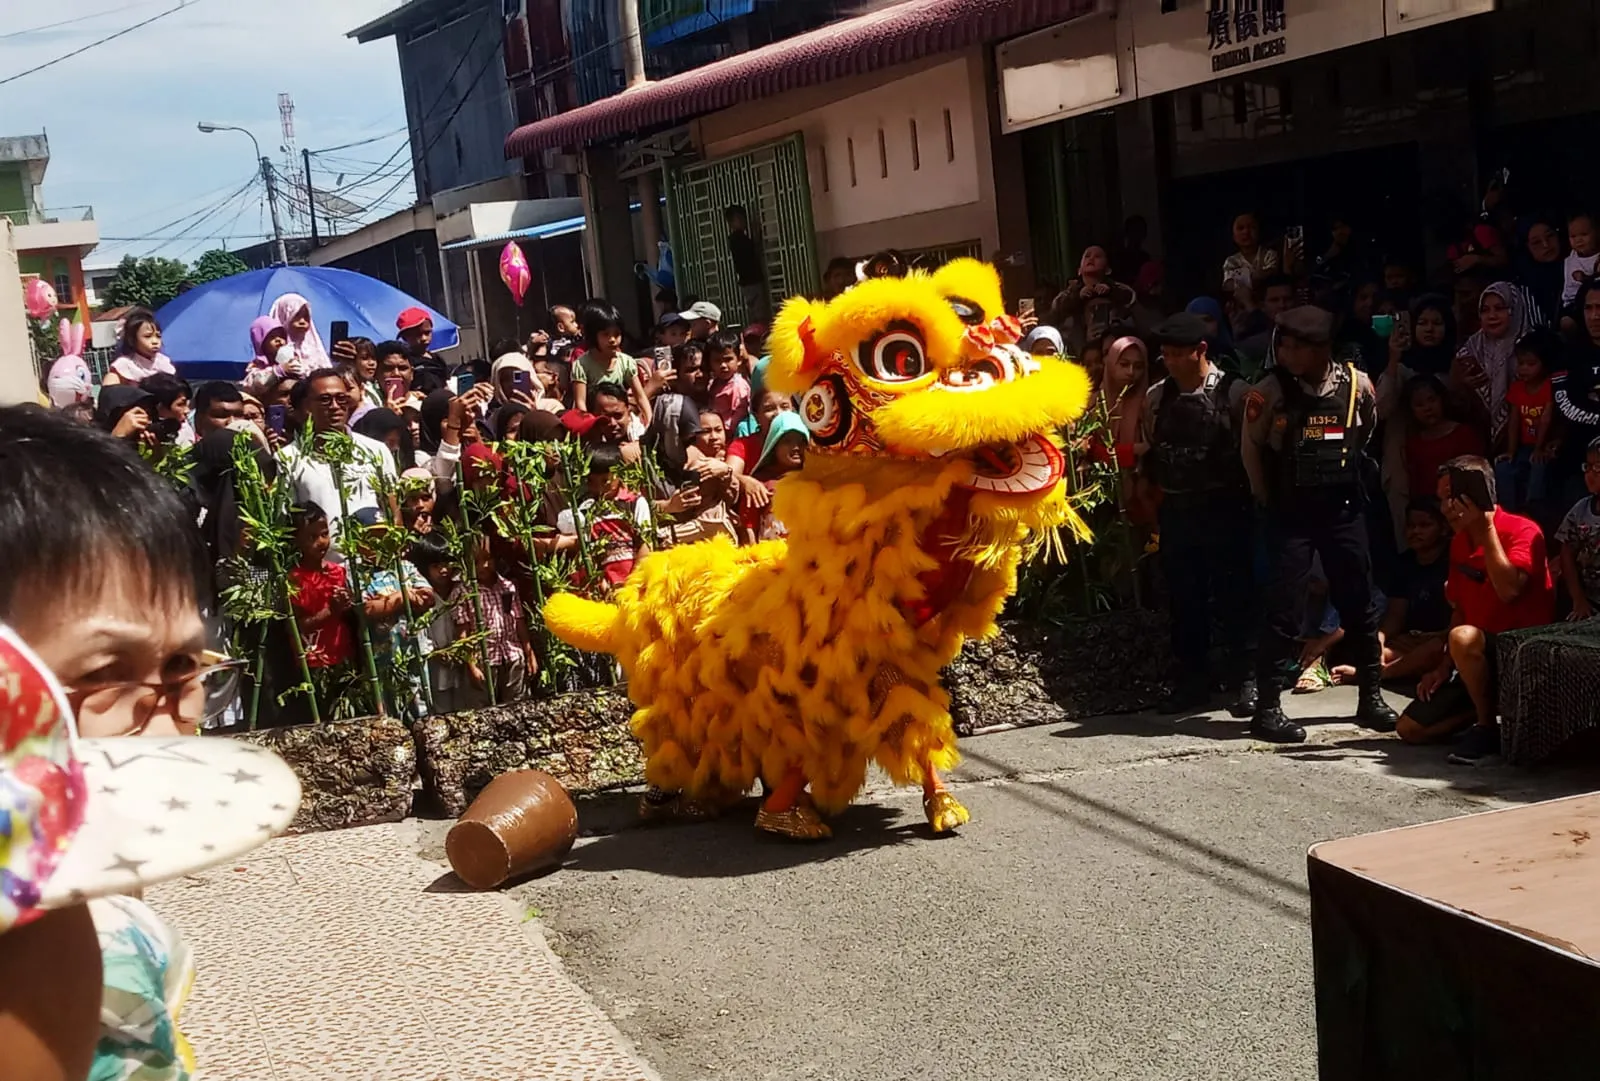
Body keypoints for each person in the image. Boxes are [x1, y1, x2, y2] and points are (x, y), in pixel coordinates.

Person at [1241, 306, 1398, 741]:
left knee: (1359, 602)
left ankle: (1370, 698)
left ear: (1322, 348)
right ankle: (1269, 709)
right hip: (1290, 511)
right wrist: (1266, 497)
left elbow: (1364, 433)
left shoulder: (1357, 386)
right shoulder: (1269, 390)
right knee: (1284, 607)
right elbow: (1251, 450)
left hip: (1342, 508)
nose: (1288, 353)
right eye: (1284, 344)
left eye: (1298, 346)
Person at [1397, 456, 1555, 760]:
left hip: (1522, 654)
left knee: (1463, 637)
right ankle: (1491, 713)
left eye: (1452, 498)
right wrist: (1443, 666)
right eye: (1442, 499)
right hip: (1478, 661)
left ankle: (1485, 727)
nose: (1446, 509)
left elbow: (1509, 590)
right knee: (1409, 728)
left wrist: (1486, 529)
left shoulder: (1523, 529)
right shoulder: (1459, 542)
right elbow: (1459, 609)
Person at [1139, 313, 1255, 713]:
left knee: (1234, 596)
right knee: (1185, 601)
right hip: (1179, 510)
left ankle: (1244, 680)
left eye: (1177, 354)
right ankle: (1193, 682)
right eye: (1165, 354)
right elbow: (1153, 448)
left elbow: (1253, 448)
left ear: (1200, 350)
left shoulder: (1234, 393)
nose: (1169, 361)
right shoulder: (1158, 397)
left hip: (1224, 508)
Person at [277, 370, 400, 556]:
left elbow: (393, 510)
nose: (335, 406)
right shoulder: (289, 459)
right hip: (324, 572)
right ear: (307, 406)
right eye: (325, 400)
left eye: (341, 399)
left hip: (373, 569)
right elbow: (286, 522)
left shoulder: (375, 451)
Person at [555, 443, 653, 591]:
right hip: (605, 586)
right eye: (591, 482)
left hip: (635, 583)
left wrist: (631, 586)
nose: (599, 489)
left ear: (619, 475)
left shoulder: (635, 503)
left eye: (605, 482)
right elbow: (587, 552)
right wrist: (599, 581)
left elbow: (645, 545)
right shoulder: (586, 509)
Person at [1455, 281, 1537, 445]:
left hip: (1528, 437)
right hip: (1479, 438)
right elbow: (1455, 401)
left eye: (1500, 308)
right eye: (1485, 310)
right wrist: (1464, 386)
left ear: (1515, 310)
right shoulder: (1471, 348)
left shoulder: (1536, 347)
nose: (1492, 316)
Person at [1380, 499, 1453, 681]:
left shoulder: (1453, 560)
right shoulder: (1404, 563)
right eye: (1411, 526)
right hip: (1408, 641)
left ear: (1443, 528)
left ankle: (1378, 675)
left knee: (1433, 651)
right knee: (1374, 652)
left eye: (1424, 525)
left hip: (1442, 640)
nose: (1416, 532)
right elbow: (1396, 614)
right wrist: (1380, 638)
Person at [287, 503, 356, 669]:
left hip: (342, 656)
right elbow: (295, 627)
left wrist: (346, 601)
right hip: (312, 661)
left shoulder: (338, 572)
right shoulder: (294, 579)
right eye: (312, 537)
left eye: (324, 534)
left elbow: (348, 615)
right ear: (296, 540)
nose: (321, 542)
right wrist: (330, 611)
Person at [1495, 329, 1556, 511]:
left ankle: (1532, 508)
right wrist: (1511, 451)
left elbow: (1547, 419)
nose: (1524, 369)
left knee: (1538, 465)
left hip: (1544, 445)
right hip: (1523, 446)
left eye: (1531, 364)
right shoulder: (1517, 388)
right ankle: (1508, 510)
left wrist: (1539, 448)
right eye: (1521, 363)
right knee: (1504, 466)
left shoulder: (1550, 386)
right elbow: (1514, 422)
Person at [1403, 375, 1487, 506]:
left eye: (1432, 400)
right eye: (1419, 404)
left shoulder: (1463, 433)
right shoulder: (1414, 443)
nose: (1427, 408)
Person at [571, 300, 652, 426]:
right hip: (595, 422)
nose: (613, 340)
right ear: (593, 335)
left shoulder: (626, 362)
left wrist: (649, 424)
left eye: (617, 334)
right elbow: (580, 404)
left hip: (619, 420)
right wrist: (589, 429)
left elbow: (640, 397)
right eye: (606, 334)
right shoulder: (582, 365)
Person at [1052, 245, 1137, 353]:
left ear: (1107, 270)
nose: (1091, 259)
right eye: (1087, 256)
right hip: (1077, 349)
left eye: (1097, 256)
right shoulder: (1070, 292)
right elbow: (1055, 311)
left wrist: (1111, 292)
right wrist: (1077, 297)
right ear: (1079, 270)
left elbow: (1131, 303)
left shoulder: (1119, 288)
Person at [646, 341, 708, 484]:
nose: (700, 375)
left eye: (703, 368)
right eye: (691, 370)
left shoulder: (717, 394)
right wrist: (650, 389)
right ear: (675, 373)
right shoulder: (663, 406)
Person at [1555, 436, 1600, 621]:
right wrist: (1578, 599)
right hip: (1588, 601)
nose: (1590, 474)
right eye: (1587, 467)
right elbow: (1566, 554)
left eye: (1598, 468)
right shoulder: (1580, 510)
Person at [102, 309, 174, 386]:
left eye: (158, 336)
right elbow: (109, 394)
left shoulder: (163, 362)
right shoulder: (123, 365)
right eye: (147, 336)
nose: (155, 341)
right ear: (132, 339)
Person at [1516, 215, 1566, 326]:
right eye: (1536, 242)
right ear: (1526, 247)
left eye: (1550, 236)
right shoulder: (1523, 287)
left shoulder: (1578, 270)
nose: (1546, 244)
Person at [1222, 212, 1279, 302]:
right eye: (1241, 228)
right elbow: (1229, 286)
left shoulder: (1270, 255)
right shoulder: (1231, 261)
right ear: (1233, 235)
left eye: (1251, 227)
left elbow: (1271, 276)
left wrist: (1241, 279)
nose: (1246, 232)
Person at [725, 204, 769, 323]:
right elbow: (753, 252)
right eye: (739, 219)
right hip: (752, 280)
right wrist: (756, 236)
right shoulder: (738, 239)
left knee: (755, 312)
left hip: (747, 281)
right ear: (731, 223)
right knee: (759, 313)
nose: (743, 221)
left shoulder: (736, 239)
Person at [268, 293, 330, 373]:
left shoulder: (316, 350)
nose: (302, 321)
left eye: (306, 316)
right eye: (296, 315)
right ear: (283, 316)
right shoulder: (272, 351)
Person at [705, 330, 751, 431]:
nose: (723, 365)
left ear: (738, 360)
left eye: (728, 359)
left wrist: (724, 430)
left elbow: (739, 413)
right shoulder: (714, 383)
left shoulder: (738, 385)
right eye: (717, 361)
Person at [395, 307, 448, 392]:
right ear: (405, 337)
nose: (423, 338)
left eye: (427, 333)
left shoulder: (437, 359)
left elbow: (445, 383)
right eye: (417, 334)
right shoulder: (404, 361)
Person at [138, 372, 193, 445]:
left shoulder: (185, 429)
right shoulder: (137, 435)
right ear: (159, 407)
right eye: (180, 404)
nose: (187, 411)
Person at [1563, 211, 1599, 315]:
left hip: (1593, 304)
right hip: (1571, 304)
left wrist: (1585, 278)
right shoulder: (1572, 256)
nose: (1579, 240)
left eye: (1584, 234)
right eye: (1573, 236)